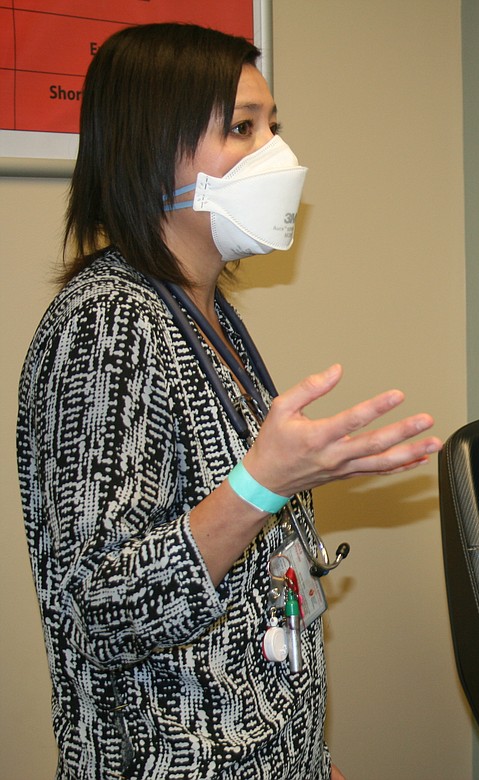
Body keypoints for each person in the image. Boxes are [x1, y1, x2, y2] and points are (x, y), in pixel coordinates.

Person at [15, 23, 442, 780]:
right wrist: (260, 485)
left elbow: (239, 558)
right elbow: (105, 608)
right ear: (153, 149)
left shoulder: (206, 315)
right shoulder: (109, 322)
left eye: (274, 126)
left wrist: (309, 756)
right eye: (244, 128)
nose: (277, 153)